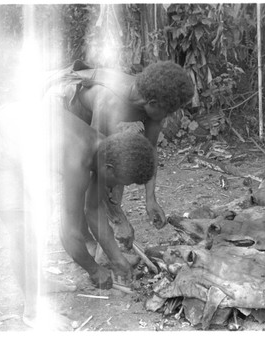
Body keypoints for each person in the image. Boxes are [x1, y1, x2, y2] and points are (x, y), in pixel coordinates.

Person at [0, 100, 155, 330]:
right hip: (2, 139)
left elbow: (93, 209)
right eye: (119, 182)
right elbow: (69, 234)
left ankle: (38, 280)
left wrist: (118, 259)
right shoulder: (79, 158)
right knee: (24, 226)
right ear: (110, 168)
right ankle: (33, 311)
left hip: (26, 139)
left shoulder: (105, 150)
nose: (115, 188)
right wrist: (94, 269)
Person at [44, 60, 194, 248]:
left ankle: (106, 242)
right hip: (62, 102)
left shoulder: (153, 100)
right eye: (168, 111)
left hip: (91, 117)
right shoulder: (112, 104)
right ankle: (84, 238)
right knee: (80, 176)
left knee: (116, 171)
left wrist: (150, 199)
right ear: (153, 103)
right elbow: (96, 164)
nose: (169, 116)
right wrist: (118, 218)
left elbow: (150, 150)